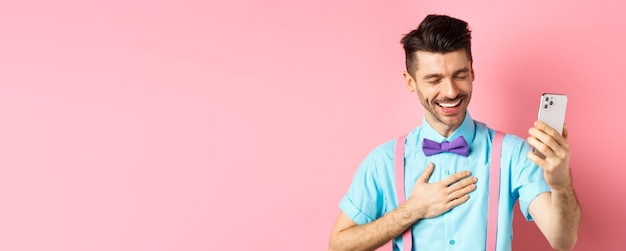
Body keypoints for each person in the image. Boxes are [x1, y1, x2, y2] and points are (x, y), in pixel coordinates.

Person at [328, 14, 580, 251]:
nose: (450, 91)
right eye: (434, 80)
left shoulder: (513, 154)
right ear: (410, 82)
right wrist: (410, 211)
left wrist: (560, 184)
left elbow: (563, 240)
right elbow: (339, 245)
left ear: (472, 72)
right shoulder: (383, 161)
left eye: (459, 75)